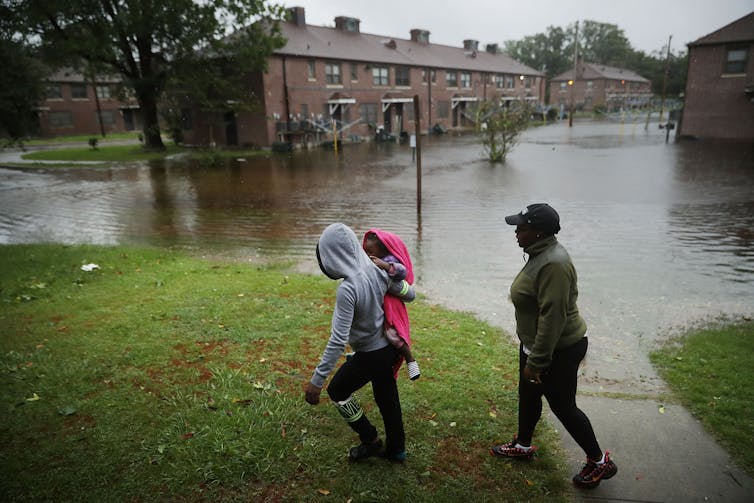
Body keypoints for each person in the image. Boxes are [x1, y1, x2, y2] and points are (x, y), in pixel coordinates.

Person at [490, 203, 618, 490]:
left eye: (522, 227)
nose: (516, 231)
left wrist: (537, 361)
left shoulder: (554, 264)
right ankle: (523, 445)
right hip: (536, 345)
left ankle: (599, 462)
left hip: (557, 350)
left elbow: (553, 317)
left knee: (563, 406)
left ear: (539, 232)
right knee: (529, 395)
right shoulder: (540, 253)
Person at [305, 223, 416, 463]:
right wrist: (393, 276)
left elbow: (338, 340)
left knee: (338, 391)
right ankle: (397, 449)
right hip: (388, 350)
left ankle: (370, 440)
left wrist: (317, 381)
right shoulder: (376, 270)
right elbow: (410, 294)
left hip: (370, 354)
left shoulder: (348, 289)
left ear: (331, 257)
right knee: (387, 398)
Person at [362, 229, 420, 380]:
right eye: (366, 252)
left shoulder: (389, 259)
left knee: (394, 334)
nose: (368, 255)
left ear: (382, 249)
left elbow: (402, 272)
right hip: (379, 305)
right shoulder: (370, 262)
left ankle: (410, 360)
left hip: (392, 304)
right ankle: (359, 356)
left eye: (371, 251)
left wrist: (386, 266)